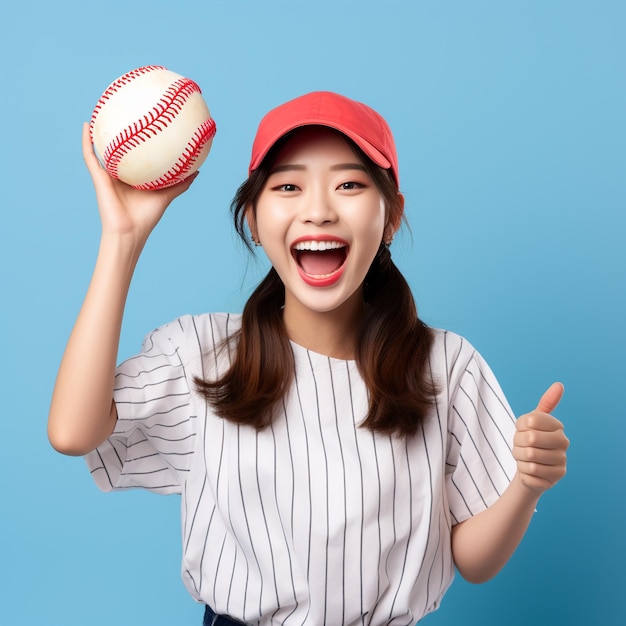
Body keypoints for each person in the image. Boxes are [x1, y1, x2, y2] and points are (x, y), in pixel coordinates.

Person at [48, 91, 569, 625]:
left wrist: (525, 485)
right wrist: (122, 237)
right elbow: (72, 432)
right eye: (288, 186)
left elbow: (474, 561)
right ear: (252, 218)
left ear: (391, 216)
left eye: (349, 184)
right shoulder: (200, 355)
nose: (318, 210)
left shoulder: (447, 365)